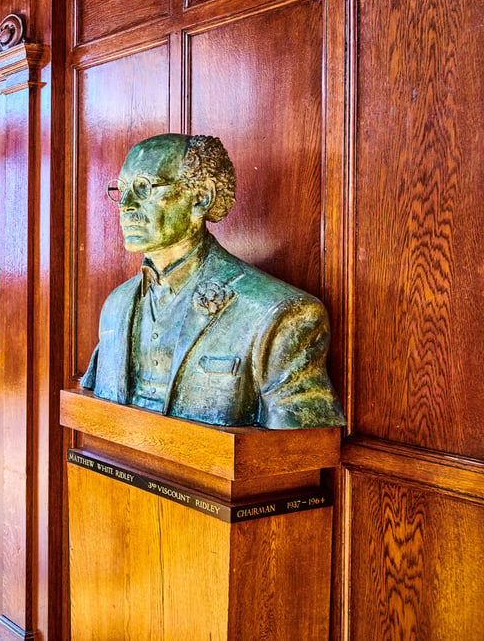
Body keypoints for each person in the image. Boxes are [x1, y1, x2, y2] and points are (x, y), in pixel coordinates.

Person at [81, 133, 346, 429]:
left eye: (143, 187)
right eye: (123, 189)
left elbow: (298, 449)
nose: (125, 204)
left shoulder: (279, 315)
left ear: (201, 197)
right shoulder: (116, 306)